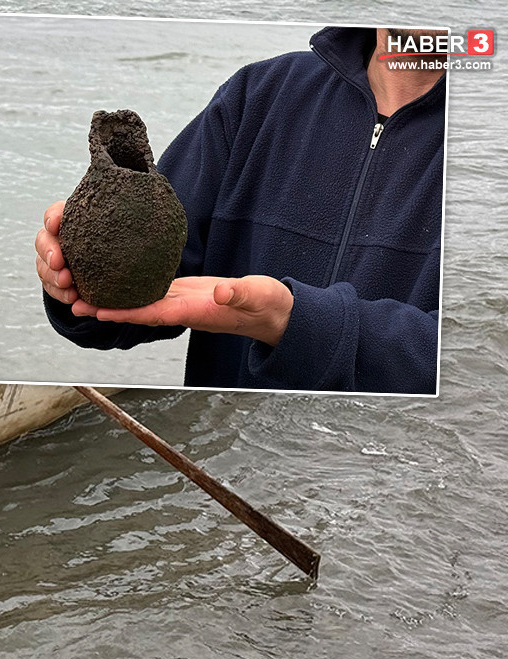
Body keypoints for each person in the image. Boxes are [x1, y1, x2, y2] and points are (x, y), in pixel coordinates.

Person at [36, 26, 444, 394]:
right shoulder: (260, 95)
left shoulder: (498, 152)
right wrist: (71, 280)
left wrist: (296, 324)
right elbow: (140, 292)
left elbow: (481, 374)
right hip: (226, 457)